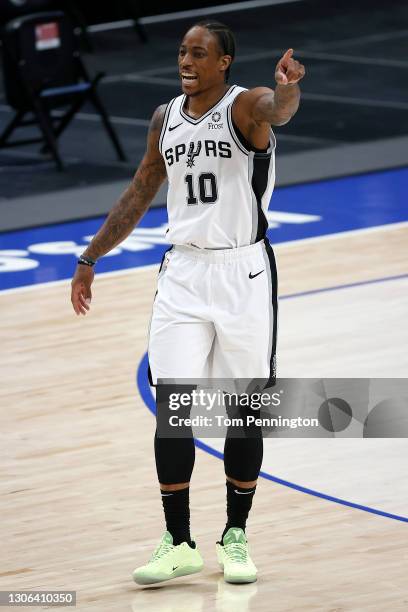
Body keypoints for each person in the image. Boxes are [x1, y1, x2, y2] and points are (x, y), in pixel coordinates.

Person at [71, 20, 305, 585]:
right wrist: (90, 256)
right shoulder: (165, 118)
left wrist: (290, 86)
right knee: (174, 410)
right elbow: (140, 189)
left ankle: (235, 535)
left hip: (242, 272)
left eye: (199, 52)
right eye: (182, 50)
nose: (187, 59)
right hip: (183, 273)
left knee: (244, 410)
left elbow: (280, 110)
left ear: (223, 62)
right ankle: (178, 540)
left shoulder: (244, 105)